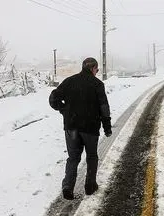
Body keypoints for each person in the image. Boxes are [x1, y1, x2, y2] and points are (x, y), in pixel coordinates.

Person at [49, 57, 112, 200]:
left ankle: (67, 187)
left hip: (71, 127)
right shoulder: (97, 84)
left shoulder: (69, 81)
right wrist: (107, 127)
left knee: (73, 158)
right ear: (93, 68)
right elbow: (104, 107)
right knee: (91, 156)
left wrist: (63, 109)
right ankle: (90, 186)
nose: (97, 72)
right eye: (97, 69)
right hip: (90, 127)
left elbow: (53, 98)